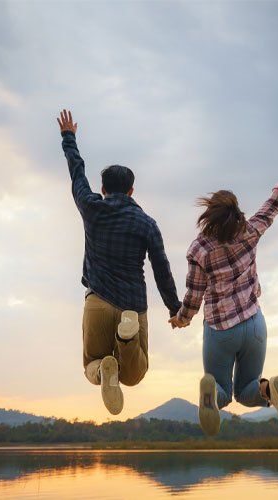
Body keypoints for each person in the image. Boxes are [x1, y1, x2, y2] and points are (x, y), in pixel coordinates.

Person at [170, 136, 278, 435]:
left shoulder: (199, 248)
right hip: (254, 325)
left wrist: (181, 319)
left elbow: (194, 296)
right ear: (236, 211)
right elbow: (276, 199)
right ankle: (271, 392)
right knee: (249, 390)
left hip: (221, 332)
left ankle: (211, 395)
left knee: (225, 393)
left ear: (209, 216)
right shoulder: (250, 231)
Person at [57, 109, 182, 416]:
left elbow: (77, 174)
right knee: (134, 375)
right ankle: (126, 338)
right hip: (133, 306)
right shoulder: (147, 223)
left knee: (92, 365)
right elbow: (161, 269)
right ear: (131, 191)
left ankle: (103, 373)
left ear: (103, 189)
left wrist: (68, 137)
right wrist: (174, 308)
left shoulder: (92, 207)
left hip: (97, 301)